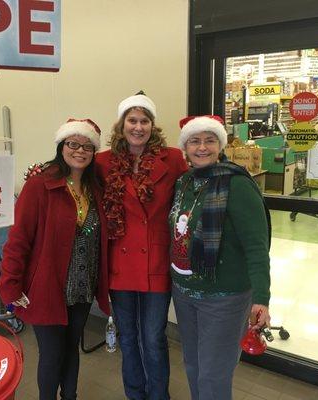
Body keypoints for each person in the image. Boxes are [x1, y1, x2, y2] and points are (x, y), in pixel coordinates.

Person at [0, 118, 110, 400]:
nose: (80, 151)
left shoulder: (96, 189)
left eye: (87, 146)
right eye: (73, 144)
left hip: (82, 288)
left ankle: (69, 396)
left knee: (71, 347)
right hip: (47, 288)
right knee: (51, 353)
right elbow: (18, 240)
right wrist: (10, 286)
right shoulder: (40, 186)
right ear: (61, 146)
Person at [169, 115, 271, 400]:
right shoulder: (184, 182)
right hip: (185, 293)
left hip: (223, 297)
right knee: (193, 363)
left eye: (210, 140)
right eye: (195, 141)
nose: (202, 147)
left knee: (214, 373)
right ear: (185, 147)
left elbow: (256, 246)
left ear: (220, 145)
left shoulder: (237, 185)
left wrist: (262, 297)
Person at [96, 91, 188, 400]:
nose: (138, 127)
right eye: (132, 121)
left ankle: (159, 396)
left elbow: (192, 193)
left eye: (144, 121)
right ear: (122, 125)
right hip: (119, 265)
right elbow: (74, 178)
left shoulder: (172, 158)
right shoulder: (102, 162)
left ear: (152, 125)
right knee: (128, 337)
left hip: (157, 263)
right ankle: (135, 394)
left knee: (153, 337)